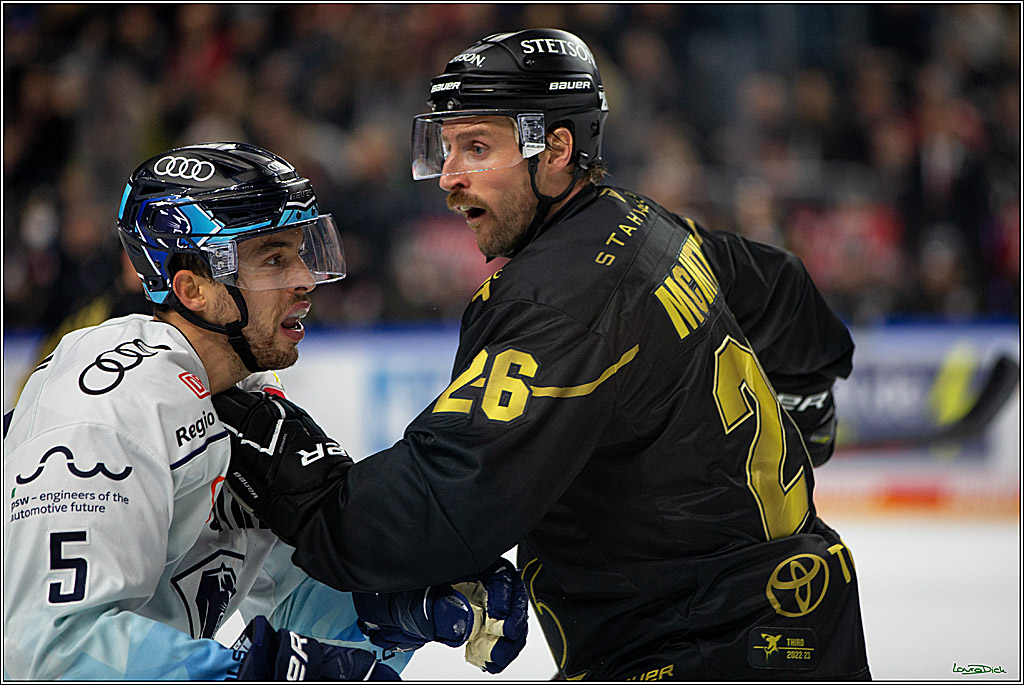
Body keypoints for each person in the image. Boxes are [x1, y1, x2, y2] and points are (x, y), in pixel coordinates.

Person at [215, 29, 871, 680]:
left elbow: (440, 505)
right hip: (804, 610)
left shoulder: (558, 301)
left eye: (476, 147)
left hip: (700, 649)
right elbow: (778, 285)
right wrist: (808, 395)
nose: (449, 178)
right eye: (444, 149)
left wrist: (288, 465)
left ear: (556, 150)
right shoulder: (641, 222)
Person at [3, 142, 527, 680]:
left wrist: (393, 607)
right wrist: (255, 674)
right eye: (274, 259)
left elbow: (284, 594)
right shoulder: (108, 411)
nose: (304, 279)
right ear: (194, 289)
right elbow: (48, 649)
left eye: (302, 252)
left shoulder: (238, 398)